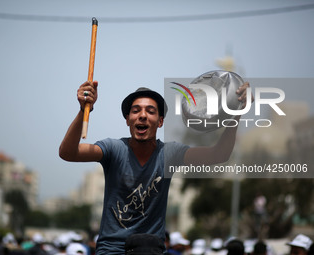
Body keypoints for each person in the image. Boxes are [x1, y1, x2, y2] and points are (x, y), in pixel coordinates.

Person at [59, 80, 252, 254]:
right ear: (127, 120)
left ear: (160, 122)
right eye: (136, 111)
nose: (142, 116)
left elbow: (219, 154)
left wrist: (237, 113)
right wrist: (83, 109)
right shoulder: (113, 149)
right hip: (112, 249)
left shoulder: (170, 153)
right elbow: (67, 153)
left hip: (152, 249)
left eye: (150, 111)